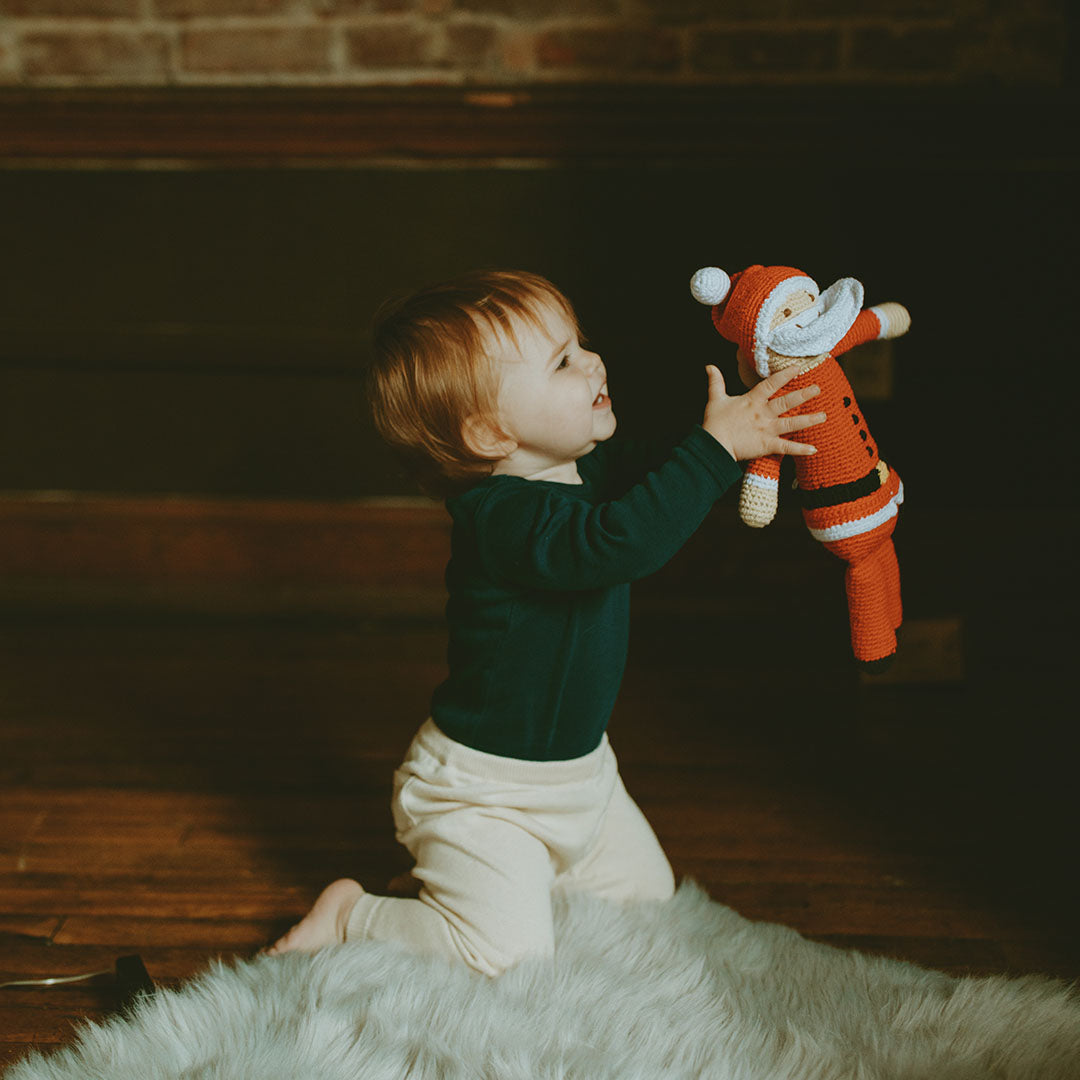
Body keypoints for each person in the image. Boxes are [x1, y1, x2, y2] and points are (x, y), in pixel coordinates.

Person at [267, 269, 825, 976]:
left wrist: (736, 414)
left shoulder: (580, 466)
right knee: (503, 958)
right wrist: (719, 450)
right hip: (484, 794)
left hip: (582, 779)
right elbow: (623, 542)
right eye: (562, 362)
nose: (592, 361)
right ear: (491, 431)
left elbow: (662, 469)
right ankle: (356, 912)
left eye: (581, 344)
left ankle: (486, 884)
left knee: (651, 909)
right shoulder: (499, 518)